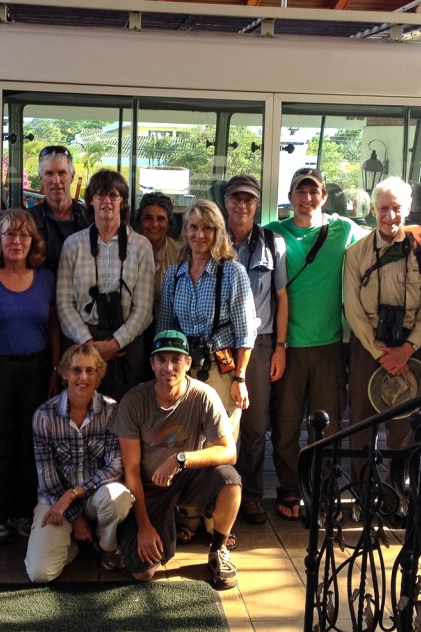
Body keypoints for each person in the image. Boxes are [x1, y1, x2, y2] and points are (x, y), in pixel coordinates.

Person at [265, 167, 365, 521]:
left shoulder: (344, 230)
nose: (307, 199)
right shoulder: (272, 233)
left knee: (327, 427)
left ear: (324, 196)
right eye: (300, 191)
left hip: (329, 346)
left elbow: (387, 235)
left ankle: (324, 492)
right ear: (290, 197)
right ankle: (290, 489)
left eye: (313, 192)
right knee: (286, 426)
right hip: (287, 347)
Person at [113, 330, 241, 591]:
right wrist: (144, 526)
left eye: (176, 359)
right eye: (161, 360)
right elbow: (131, 469)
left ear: (188, 363)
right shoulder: (134, 401)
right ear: (152, 363)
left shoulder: (204, 395)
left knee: (229, 480)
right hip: (149, 487)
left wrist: (181, 459)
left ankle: (218, 549)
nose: (168, 367)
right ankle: (162, 524)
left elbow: (229, 452)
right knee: (143, 571)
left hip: (187, 477)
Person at [159, 198, 255, 545]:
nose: (200, 235)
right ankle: (189, 514)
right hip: (185, 369)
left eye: (208, 228)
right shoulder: (174, 275)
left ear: (218, 232)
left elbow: (246, 331)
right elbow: (165, 328)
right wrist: (166, 371)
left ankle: (217, 522)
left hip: (221, 367)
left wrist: (240, 378)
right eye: (193, 227)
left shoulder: (232, 272)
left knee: (220, 441)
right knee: (186, 439)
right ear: (185, 231)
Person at [0, 209, 60, 544]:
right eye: (9, 234)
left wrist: (54, 371)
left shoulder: (46, 279)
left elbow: (53, 328)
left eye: (23, 234)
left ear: (33, 241)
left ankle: (22, 511)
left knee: (30, 443)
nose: (16, 241)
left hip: (37, 369)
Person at [342, 177, 421, 489]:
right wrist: (379, 352)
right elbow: (353, 309)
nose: (390, 216)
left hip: (410, 346)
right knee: (360, 425)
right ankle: (362, 493)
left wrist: (407, 348)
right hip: (367, 347)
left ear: (408, 209)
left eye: (397, 208)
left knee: (404, 426)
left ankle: (397, 492)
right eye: (383, 208)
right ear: (373, 209)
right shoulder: (356, 253)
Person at [25, 343, 134, 582]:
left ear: (99, 374)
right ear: (64, 373)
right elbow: (47, 479)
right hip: (56, 498)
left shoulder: (111, 410)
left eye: (90, 371)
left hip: (94, 496)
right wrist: (75, 517)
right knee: (40, 573)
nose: (83, 377)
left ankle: (107, 546)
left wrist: (74, 493)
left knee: (120, 496)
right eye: (76, 370)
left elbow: (115, 467)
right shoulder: (44, 415)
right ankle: (73, 544)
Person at [222, 175, 289, 525]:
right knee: (215, 420)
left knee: (254, 423)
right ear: (226, 201)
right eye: (236, 198)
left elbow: (281, 298)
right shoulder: (213, 238)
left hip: (260, 344)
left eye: (249, 199)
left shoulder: (272, 242)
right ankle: (214, 497)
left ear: (257, 204)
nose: (242, 205)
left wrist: (280, 346)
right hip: (220, 343)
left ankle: (250, 495)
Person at [57, 169, 154, 400]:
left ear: (123, 202)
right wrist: (89, 344)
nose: (107, 201)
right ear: (91, 200)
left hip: (128, 344)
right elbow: (64, 304)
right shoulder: (73, 245)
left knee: (125, 410)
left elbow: (144, 308)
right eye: (100, 194)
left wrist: (115, 343)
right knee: (81, 408)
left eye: (114, 195)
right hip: (83, 341)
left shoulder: (141, 246)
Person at [28, 145, 89, 274]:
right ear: (41, 178)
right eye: (49, 173)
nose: (56, 181)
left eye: (62, 173)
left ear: (72, 176)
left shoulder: (89, 218)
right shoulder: (28, 221)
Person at [136, 191, 181, 319]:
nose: (154, 224)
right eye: (148, 218)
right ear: (140, 220)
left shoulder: (180, 254)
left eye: (161, 219)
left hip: (168, 321)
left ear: (169, 223)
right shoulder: (126, 249)